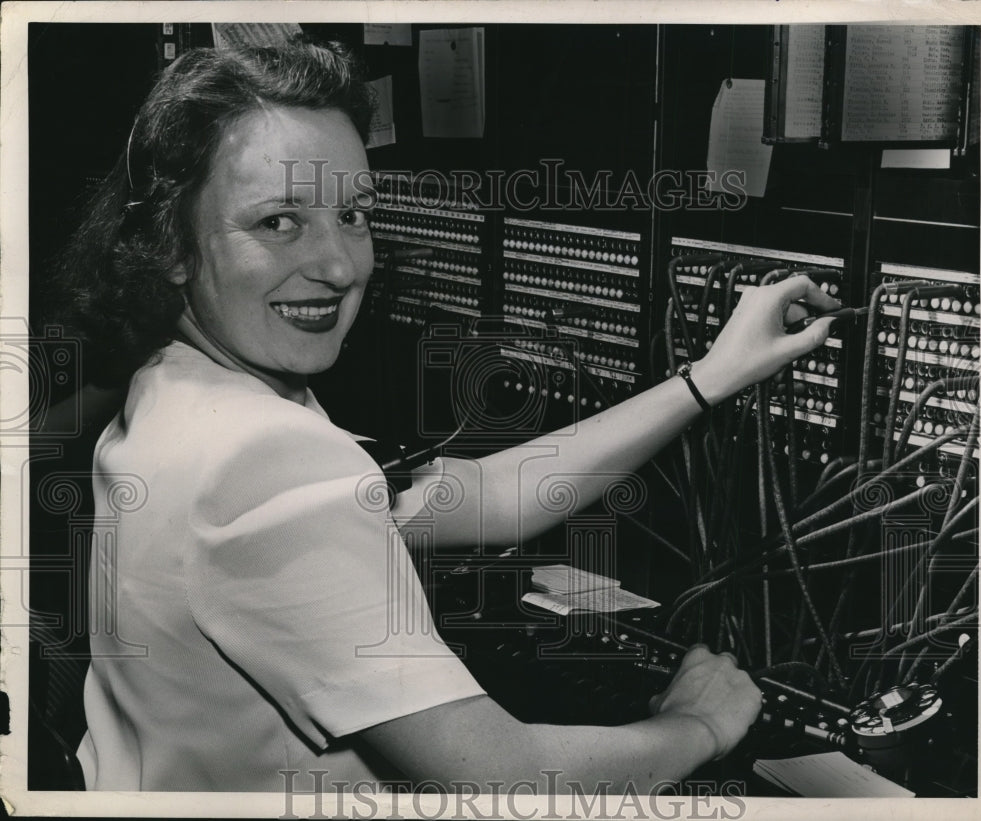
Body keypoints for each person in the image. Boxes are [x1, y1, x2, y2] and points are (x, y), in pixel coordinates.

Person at [54, 39, 841, 793]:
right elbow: (498, 776)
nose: (339, 265)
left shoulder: (176, 383)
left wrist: (709, 377)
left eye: (353, 214)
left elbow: (495, 495)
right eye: (277, 222)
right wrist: (698, 722)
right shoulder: (256, 453)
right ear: (170, 243)